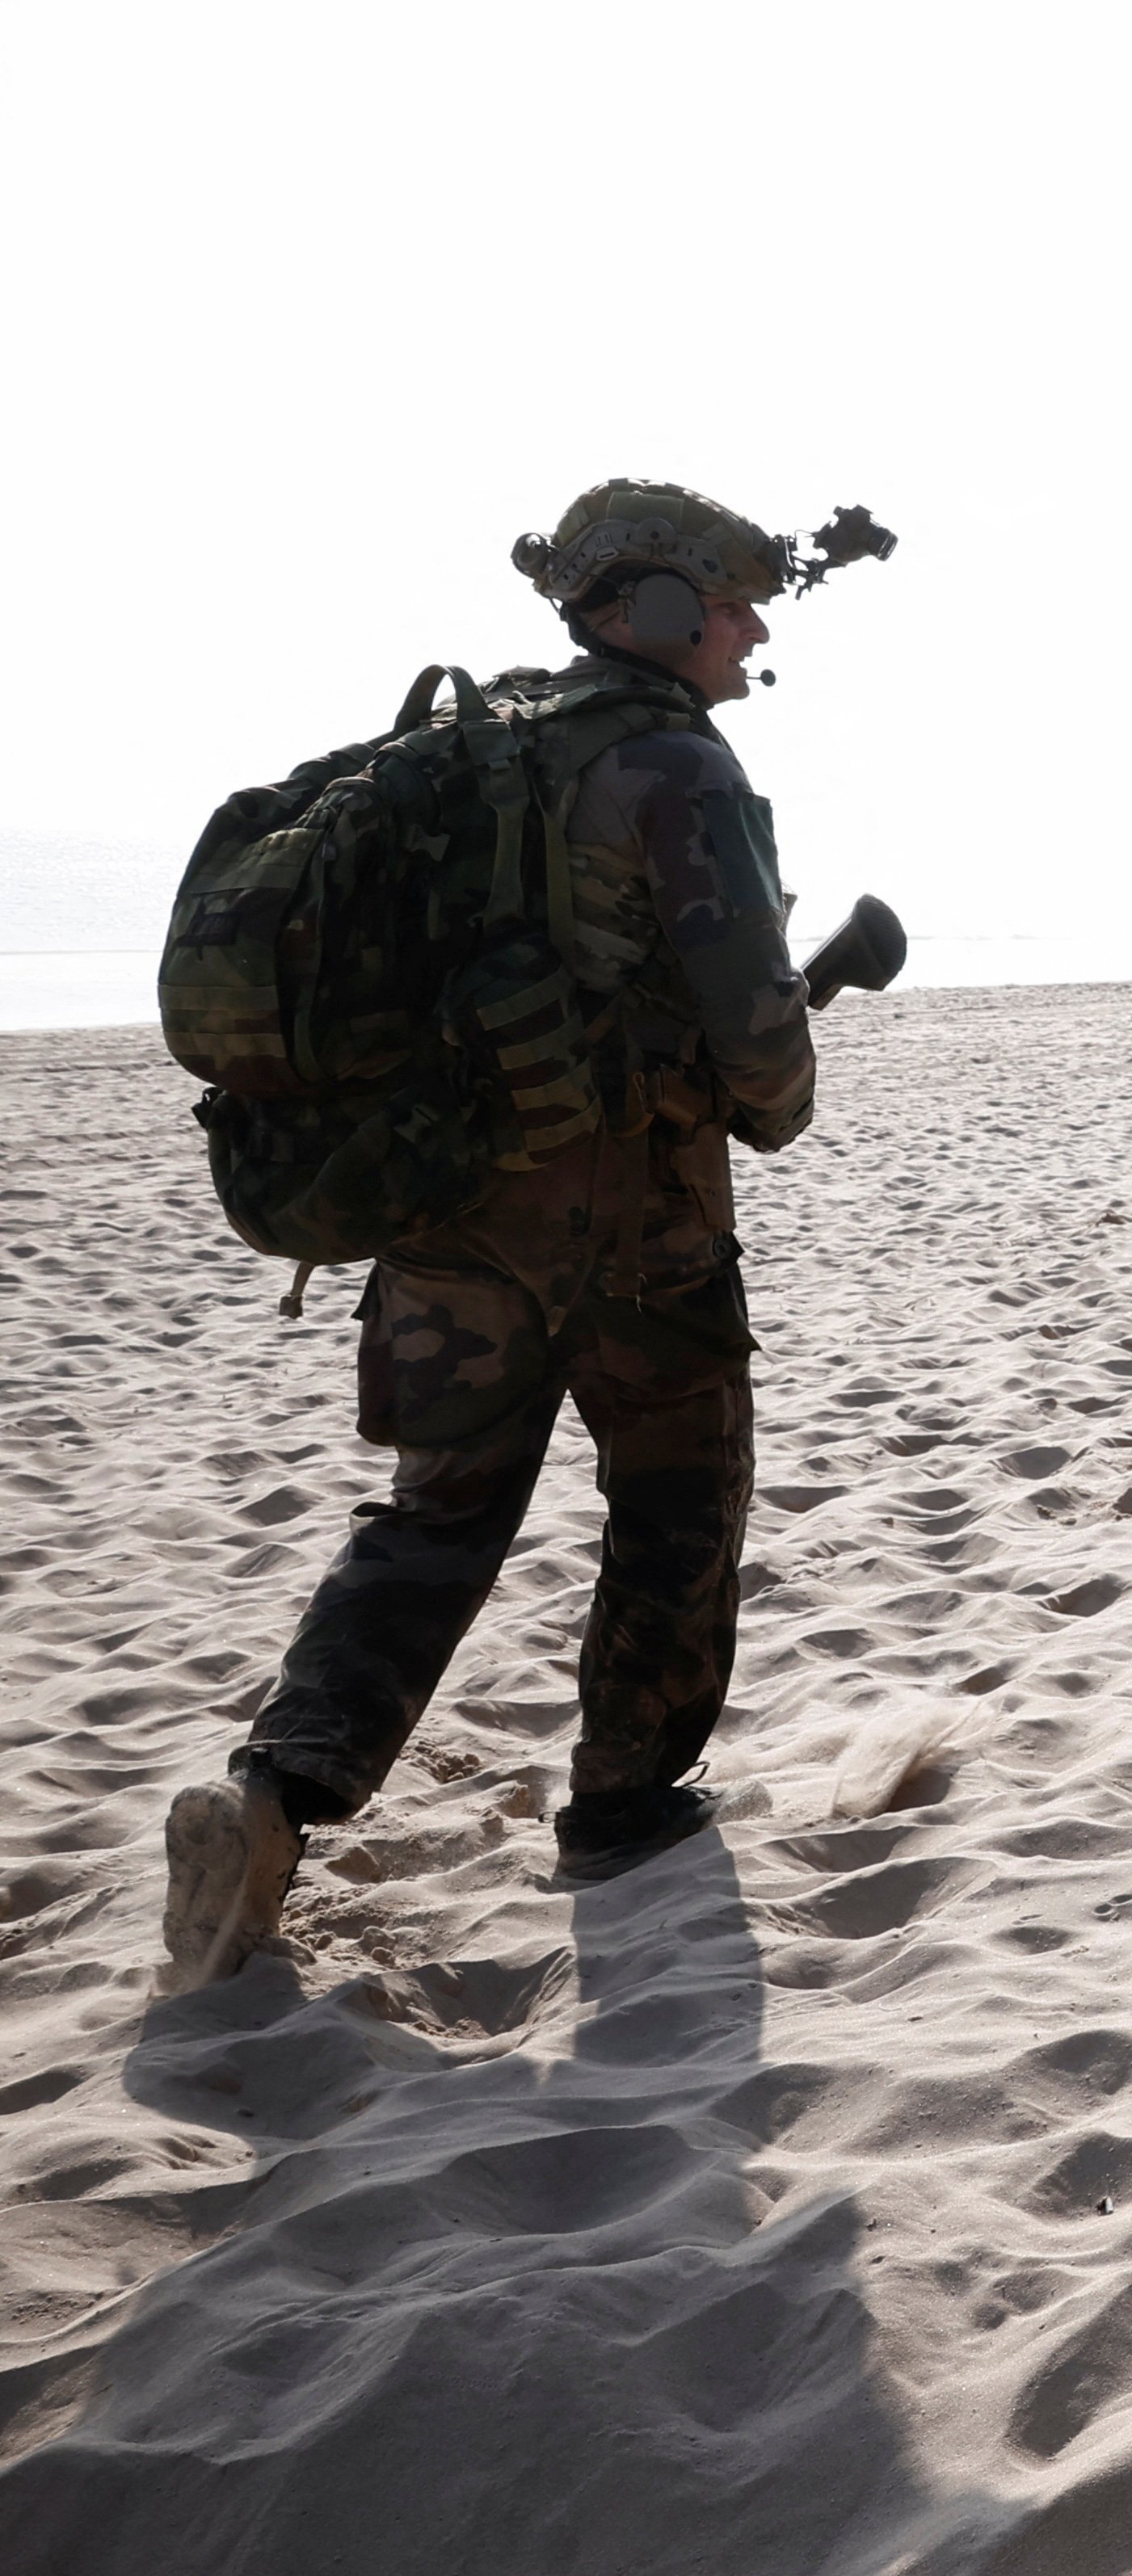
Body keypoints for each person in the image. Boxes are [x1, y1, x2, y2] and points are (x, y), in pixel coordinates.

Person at [162, 480, 838, 1985]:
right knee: (681, 1493)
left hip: (443, 1204)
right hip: (635, 1225)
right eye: (732, 599)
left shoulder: (481, 746)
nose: (755, 626)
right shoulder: (675, 767)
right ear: (659, 610)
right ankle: (622, 1803)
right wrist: (779, 1096)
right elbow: (759, 1041)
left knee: (437, 1517)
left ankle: (270, 1796)